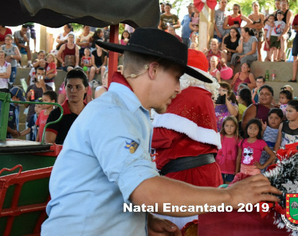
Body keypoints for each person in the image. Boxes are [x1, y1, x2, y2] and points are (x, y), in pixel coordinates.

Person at [41, 28, 281, 235]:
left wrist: (145, 222)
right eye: (176, 78)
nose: (178, 88)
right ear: (153, 70)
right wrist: (230, 197)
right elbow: (145, 190)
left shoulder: (132, 112)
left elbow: (108, 190)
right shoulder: (114, 114)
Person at [151, 49, 221, 229]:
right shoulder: (201, 94)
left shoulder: (189, 94)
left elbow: (162, 136)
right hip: (197, 174)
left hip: (188, 177)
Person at [45, 68, 89, 145]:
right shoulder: (56, 114)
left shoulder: (91, 114)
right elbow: (49, 143)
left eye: (78, 87)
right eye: (69, 87)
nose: (73, 91)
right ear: (65, 88)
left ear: (86, 89)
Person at [25, 67, 53, 139]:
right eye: (38, 74)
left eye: (42, 74)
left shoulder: (49, 88)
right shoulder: (30, 87)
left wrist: (43, 87)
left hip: (43, 120)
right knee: (29, 141)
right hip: (31, 117)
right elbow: (25, 105)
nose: (40, 76)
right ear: (35, 75)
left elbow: (49, 102)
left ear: (45, 75)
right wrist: (28, 97)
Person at [216, 116, 240, 183]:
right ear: (223, 126)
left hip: (231, 170)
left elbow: (239, 156)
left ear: (236, 127)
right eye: (227, 126)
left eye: (232, 126)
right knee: (219, 188)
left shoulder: (238, 139)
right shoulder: (219, 137)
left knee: (228, 188)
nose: (229, 128)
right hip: (219, 168)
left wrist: (237, 170)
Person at [260, 108, 283, 173]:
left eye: (276, 118)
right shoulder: (265, 127)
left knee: (270, 170)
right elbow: (259, 140)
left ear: (281, 120)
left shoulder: (281, 131)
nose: (273, 120)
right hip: (263, 151)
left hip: (273, 151)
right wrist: (263, 130)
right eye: (271, 117)